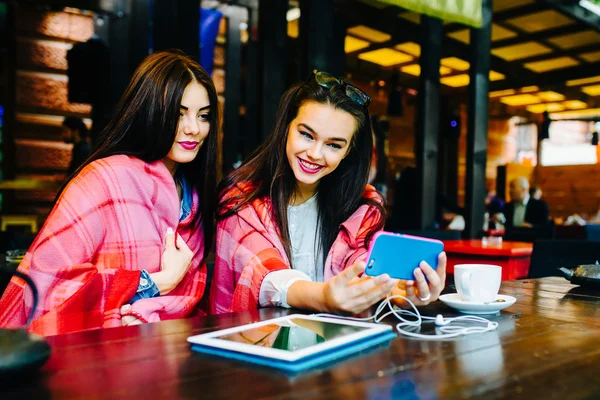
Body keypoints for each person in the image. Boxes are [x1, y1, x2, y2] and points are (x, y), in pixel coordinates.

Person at [0, 51, 220, 335]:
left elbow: (192, 303)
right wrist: (155, 283)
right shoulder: (104, 181)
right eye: (179, 114)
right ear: (151, 111)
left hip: (174, 355)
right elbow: (45, 285)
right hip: (92, 360)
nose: (193, 129)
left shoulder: (196, 200)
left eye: (203, 116)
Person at [209, 70, 445, 315]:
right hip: (249, 343)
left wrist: (400, 292)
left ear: (348, 152)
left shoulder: (362, 206)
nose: (315, 153)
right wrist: (324, 297)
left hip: (333, 343)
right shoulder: (242, 197)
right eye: (306, 135)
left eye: (334, 145)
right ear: (285, 128)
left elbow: (363, 269)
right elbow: (263, 272)